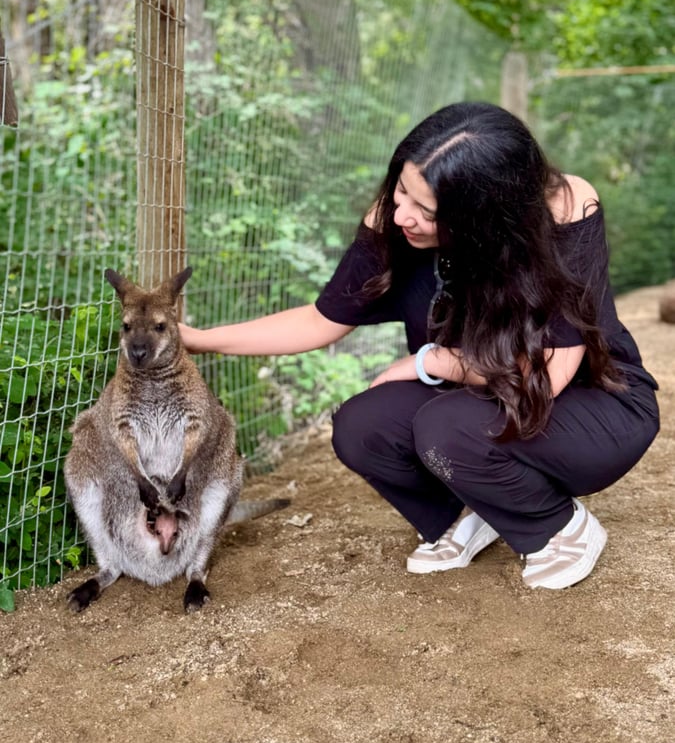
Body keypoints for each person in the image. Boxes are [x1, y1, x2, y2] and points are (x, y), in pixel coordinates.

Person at [179, 101, 660, 590]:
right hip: (480, 396)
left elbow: (546, 375)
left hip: (590, 408)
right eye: (401, 190)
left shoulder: (563, 209)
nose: (402, 214)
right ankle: (461, 517)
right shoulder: (396, 218)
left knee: (443, 426)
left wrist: (434, 361)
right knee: (362, 426)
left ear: (483, 216)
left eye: (426, 211)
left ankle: (558, 528)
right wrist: (199, 341)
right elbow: (321, 320)